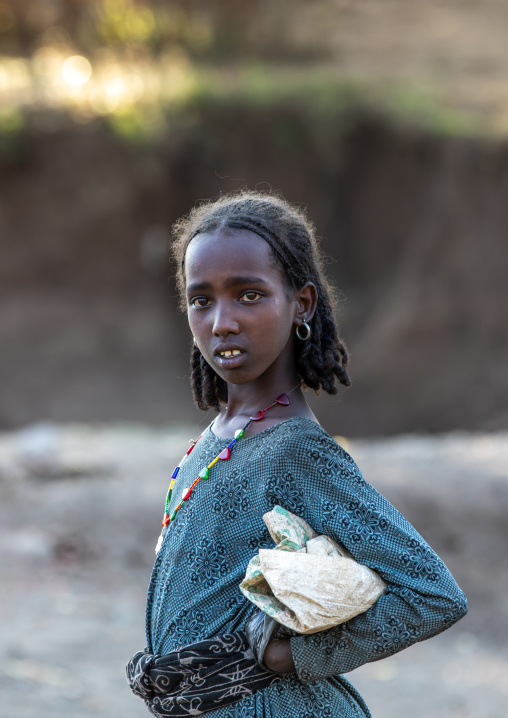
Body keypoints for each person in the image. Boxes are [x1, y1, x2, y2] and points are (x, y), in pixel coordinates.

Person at [131, 191, 468, 717]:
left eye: (248, 295)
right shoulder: (217, 438)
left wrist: (296, 655)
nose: (222, 322)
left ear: (301, 303)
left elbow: (433, 594)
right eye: (202, 300)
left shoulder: (295, 451)